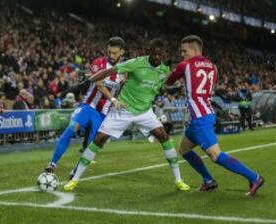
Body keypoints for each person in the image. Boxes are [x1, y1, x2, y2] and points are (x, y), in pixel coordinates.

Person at [64, 38, 190, 191]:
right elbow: (110, 71)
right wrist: (90, 79)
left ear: (164, 54)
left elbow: (163, 85)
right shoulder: (136, 62)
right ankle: (75, 179)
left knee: (163, 136)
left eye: (160, 54)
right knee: (99, 139)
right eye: (154, 53)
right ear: (149, 52)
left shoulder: (164, 70)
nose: (157, 56)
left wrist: (175, 88)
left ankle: (178, 180)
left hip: (144, 112)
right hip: (123, 109)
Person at [166, 35, 264, 197]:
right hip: (205, 113)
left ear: (195, 50)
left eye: (184, 51)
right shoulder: (213, 67)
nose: (181, 54)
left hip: (200, 118)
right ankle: (208, 180)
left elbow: (169, 81)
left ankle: (255, 177)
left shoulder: (185, 65)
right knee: (184, 149)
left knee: (216, 156)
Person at [44, 36, 126, 173]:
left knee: (92, 146)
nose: (111, 55)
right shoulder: (98, 63)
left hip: (102, 113)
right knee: (70, 129)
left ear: (122, 52)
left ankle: (76, 171)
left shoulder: (124, 71)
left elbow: (123, 91)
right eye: (110, 52)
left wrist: (120, 102)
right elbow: (99, 85)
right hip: (88, 106)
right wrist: (113, 100)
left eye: (115, 53)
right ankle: (52, 164)